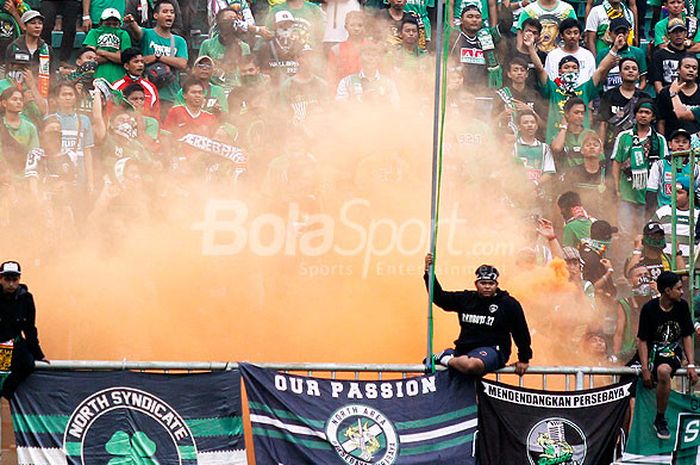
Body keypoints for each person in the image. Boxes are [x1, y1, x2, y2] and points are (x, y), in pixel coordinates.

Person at [423, 253, 533, 376]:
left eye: (491, 284)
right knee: (464, 367)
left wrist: (524, 359)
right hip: (464, 351)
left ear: (496, 285)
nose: (487, 287)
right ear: (476, 284)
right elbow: (440, 298)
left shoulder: (508, 304)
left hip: (493, 350)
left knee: (471, 365)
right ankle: (450, 356)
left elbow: (521, 332)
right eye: (483, 283)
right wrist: (429, 274)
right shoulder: (466, 299)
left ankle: (445, 358)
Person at [526, 29, 623, 143]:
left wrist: (615, 48)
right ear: (560, 71)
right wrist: (530, 47)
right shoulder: (553, 88)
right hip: (556, 136)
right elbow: (540, 69)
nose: (570, 70)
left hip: (581, 139)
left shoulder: (585, 88)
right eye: (566, 67)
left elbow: (601, 69)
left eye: (574, 67)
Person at [637, 271, 698, 440]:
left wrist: (691, 364)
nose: (682, 291)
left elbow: (687, 335)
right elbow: (641, 340)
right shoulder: (649, 309)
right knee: (627, 380)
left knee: (664, 371)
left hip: (672, 351)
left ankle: (660, 418)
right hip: (651, 351)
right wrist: (644, 368)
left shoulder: (682, 306)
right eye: (678, 288)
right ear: (667, 291)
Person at [612, 99, 667, 237]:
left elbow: (664, 166)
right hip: (627, 192)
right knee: (625, 231)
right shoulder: (624, 136)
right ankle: (625, 257)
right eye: (640, 112)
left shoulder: (659, 140)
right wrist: (616, 189)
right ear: (635, 115)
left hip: (649, 194)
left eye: (647, 112)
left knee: (646, 232)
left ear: (653, 117)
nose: (643, 115)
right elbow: (616, 163)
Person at [126, 0, 189, 118]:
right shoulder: (147, 34)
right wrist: (132, 22)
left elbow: (182, 63)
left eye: (172, 12)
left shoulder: (179, 41)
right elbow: (137, 31)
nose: (169, 15)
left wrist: (157, 57)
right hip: (148, 94)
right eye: (165, 12)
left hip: (170, 94)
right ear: (156, 15)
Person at [0, 261, 47, 400]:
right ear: (0, 279)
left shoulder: (26, 298)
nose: (11, 283)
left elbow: (30, 328)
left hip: (15, 344)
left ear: (19, 279)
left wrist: (39, 354)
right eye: (7, 279)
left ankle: (6, 392)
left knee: (28, 364)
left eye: (14, 279)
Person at [597, 57, 650, 153]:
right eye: (626, 68)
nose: (630, 71)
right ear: (620, 73)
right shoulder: (609, 95)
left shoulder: (644, 97)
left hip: (638, 146)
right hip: (612, 146)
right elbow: (603, 123)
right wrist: (600, 149)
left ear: (638, 75)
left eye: (634, 69)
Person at [651, 175, 700, 262]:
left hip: (690, 266)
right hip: (666, 264)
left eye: (680, 192)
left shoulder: (698, 215)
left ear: (690, 195)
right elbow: (650, 234)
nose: (674, 195)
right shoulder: (662, 213)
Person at [82, 8, 132, 84]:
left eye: (115, 24)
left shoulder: (123, 34)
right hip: (96, 76)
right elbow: (90, 57)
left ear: (119, 24)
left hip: (118, 78)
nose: (111, 27)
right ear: (101, 23)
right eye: (108, 24)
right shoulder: (94, 32)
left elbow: (125, 58)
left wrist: (102, 52)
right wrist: (115, 56)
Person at [595, 20, 647, 92]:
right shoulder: (602, 54)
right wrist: (608, 67)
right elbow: (598, 81)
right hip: (608, 96)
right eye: (617, 33)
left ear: (628, 33)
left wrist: (635, 94)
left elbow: (643, 80)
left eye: (624, 33)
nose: (620, 36)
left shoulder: (638, 52)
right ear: (610, 34)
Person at [112, 47, 160, 120]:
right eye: (136, 62)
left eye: (142, 62)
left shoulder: (150, 87)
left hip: (146, 128)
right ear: (126, 66)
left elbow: (156, 114)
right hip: (122, 127)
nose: (140, 65)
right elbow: (110, 112)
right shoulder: (116, 87)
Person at [544, 18, 596, 86]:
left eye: (575, 33)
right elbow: (549, 80)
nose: (572, 36)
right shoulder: (552, 56)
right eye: (568, 33)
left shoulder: (588, 55)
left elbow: (592, 81)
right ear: (561, 35)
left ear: (580, 35)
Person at [650, 21, 695, 94]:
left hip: (687, 96)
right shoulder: (659, 55)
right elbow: (657, 81)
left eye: (681, 31)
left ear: (686, 33)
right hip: (666, 96)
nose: (678, 35)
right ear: (668, 34)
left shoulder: (691, 57)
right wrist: (665, 96)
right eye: (674, 32)